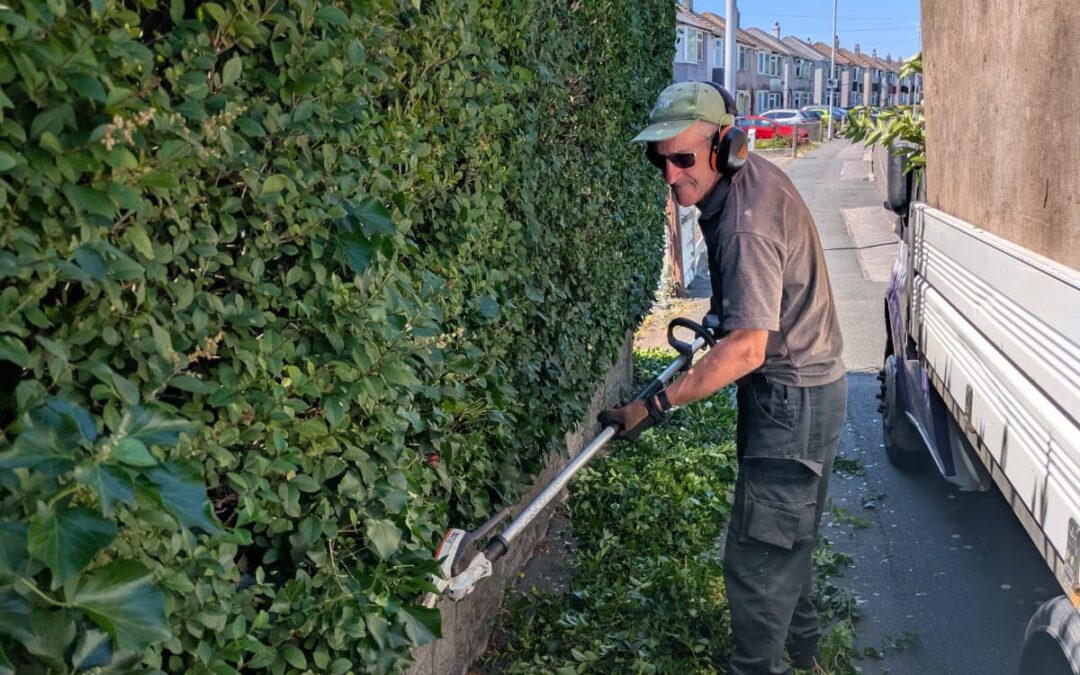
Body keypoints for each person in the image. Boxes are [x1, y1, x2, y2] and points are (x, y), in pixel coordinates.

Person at [599, 81, 847, 675]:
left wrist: (652, 406)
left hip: (791, 399)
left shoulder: (744, 222)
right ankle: (806, 651)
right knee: (787, 538)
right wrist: (723, 314)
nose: (670, 174)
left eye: (684, 158)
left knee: (760, 556)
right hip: (809, 388)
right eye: (659, 158)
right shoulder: (746, 182)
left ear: (726, 146)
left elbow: (745, 351)